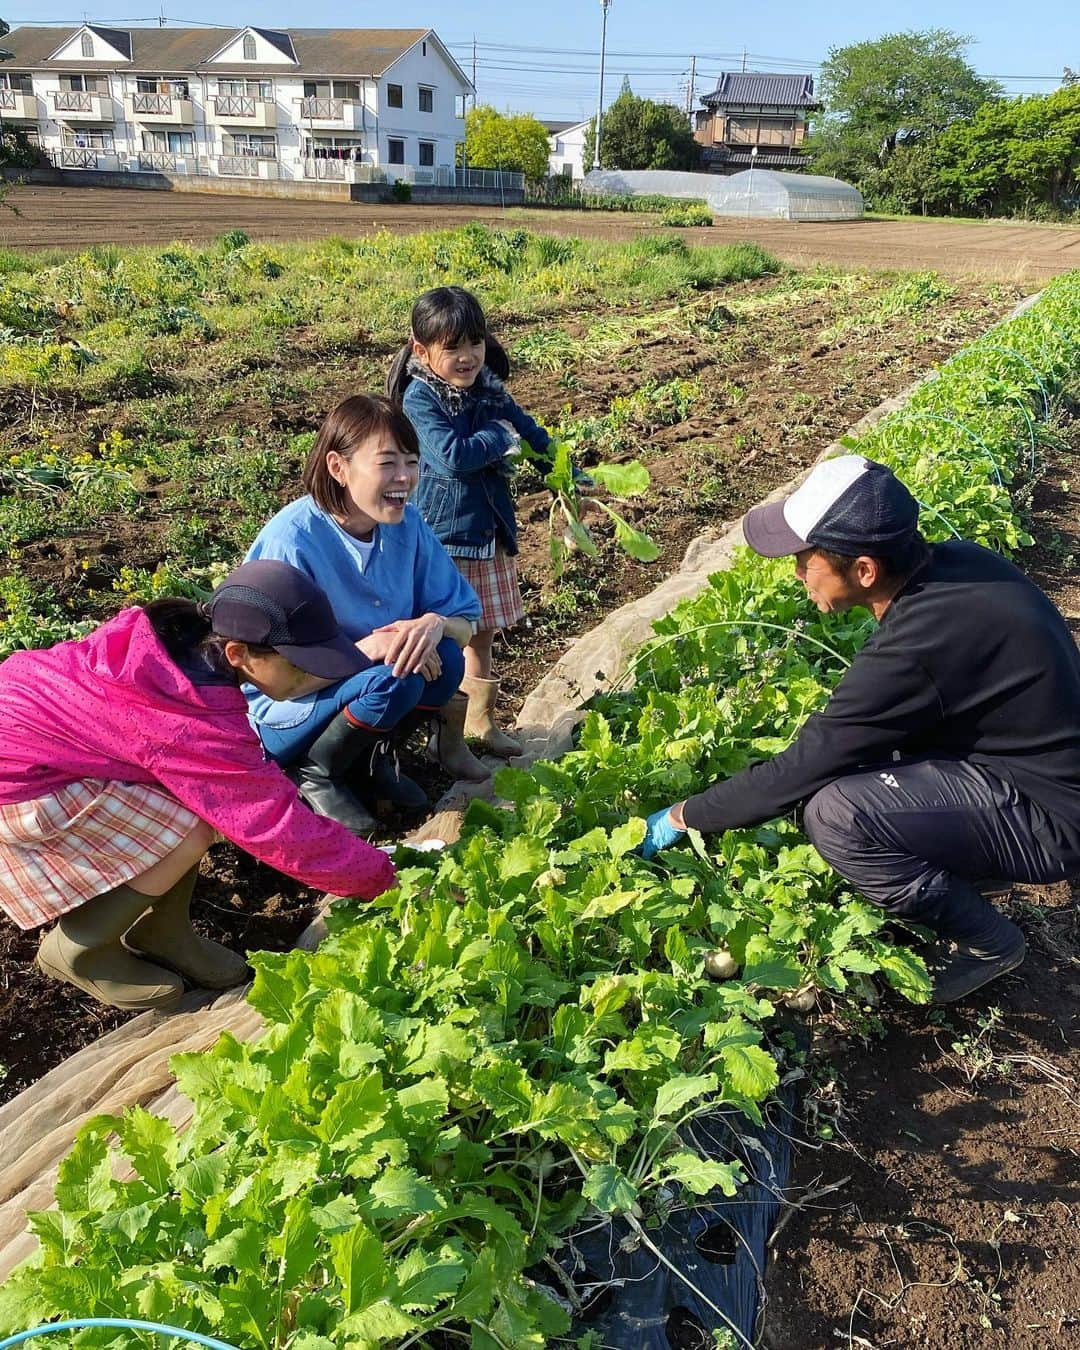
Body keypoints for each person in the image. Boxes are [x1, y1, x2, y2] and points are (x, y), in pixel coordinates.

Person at [640, 455, 1080, 1003]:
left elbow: (806, 766)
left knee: (836, 813)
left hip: (1050, 818)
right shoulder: (955, 565)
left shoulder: (918, 644)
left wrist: (686, 816)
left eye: (805, 560)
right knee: (861, 767)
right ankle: (964, 867)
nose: (797, 573)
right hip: (1032, 768)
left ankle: (988, 941)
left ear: (865, 570)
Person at [0, 559, 397, 1012]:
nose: (315, 677)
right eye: (301, 667)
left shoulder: (173, 644)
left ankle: (161, 931)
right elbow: (272, 825)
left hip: (46, 751)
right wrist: (383, 879)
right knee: (192, 825)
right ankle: (80, 948)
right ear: (238, 655)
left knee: (193, 803)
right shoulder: (190, 721)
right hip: (22, 784)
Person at [244, 393, 488, 836]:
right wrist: (368, 650)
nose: (405, 478)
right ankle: (318, 773)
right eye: (387, 463)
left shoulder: (406, 525)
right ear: (338, 467)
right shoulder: (293, 541)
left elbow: (465, 619)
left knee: (445, 660)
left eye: (412, 462)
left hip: (361, 688)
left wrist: (432, 625)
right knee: (395, 673)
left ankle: (371, 761)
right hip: (286, 708)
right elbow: (269, 672)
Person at [387, 285, 554, 757]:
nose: (468, 357)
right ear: (422, 350)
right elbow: (452, 457)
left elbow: (527, 429)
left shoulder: (486, 388)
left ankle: (482, 721)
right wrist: (498, 438)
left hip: (487, 529)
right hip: (446, 538)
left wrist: (566, 473)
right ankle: (444, 737)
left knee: (481, 631)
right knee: (444, 636)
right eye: (453, 347)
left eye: (475, 344)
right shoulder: (420, 399)